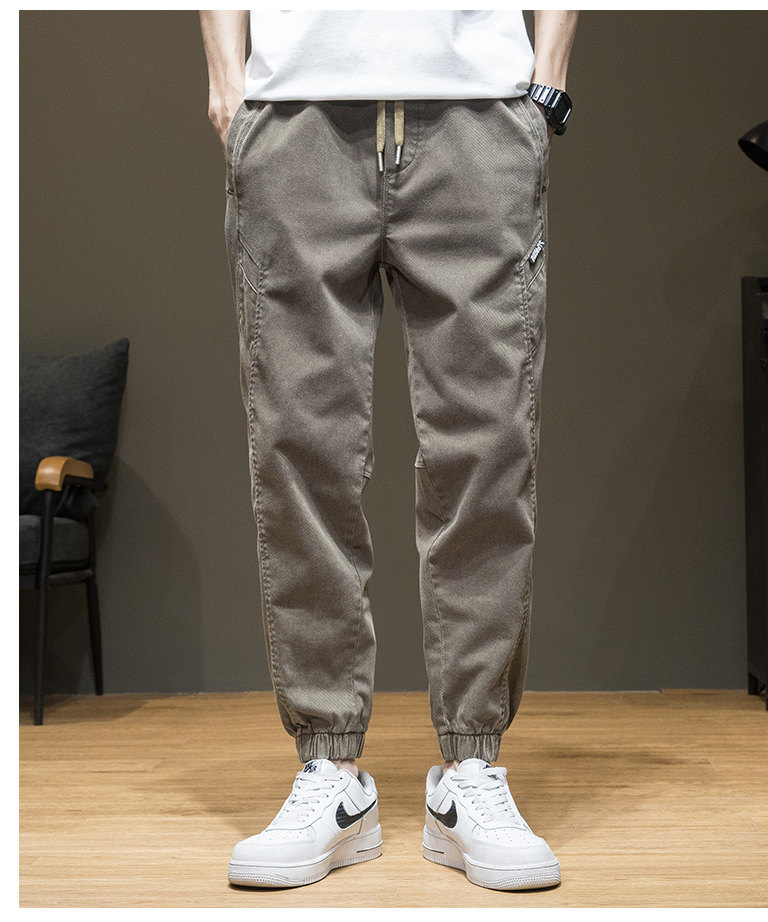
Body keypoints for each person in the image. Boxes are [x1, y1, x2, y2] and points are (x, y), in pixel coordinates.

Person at [199, 8, 578, 892]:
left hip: (479, 119)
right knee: (301, 451)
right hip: (295, 118)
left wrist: (549, 76)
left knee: (489, 452)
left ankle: (471, 770)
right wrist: (228, 83)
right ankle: (330, 770)